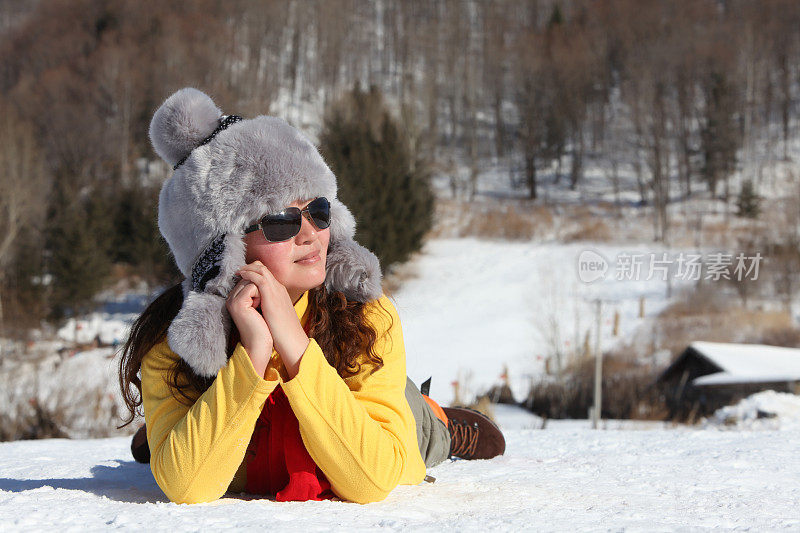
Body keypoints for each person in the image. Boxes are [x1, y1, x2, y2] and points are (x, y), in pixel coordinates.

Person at [118, 88, 505, 505]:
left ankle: (439, 420)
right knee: (180, 447)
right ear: (222, 252)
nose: (309, 233)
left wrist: (296, 345)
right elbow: (187, 486)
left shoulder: (365, 317)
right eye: (281, 220)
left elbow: (373, 481)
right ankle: (168, 431)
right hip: (244, 385)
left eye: (318, 210)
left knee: (415, 433)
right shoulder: (174, 342)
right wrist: (254, 355)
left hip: (384, 421)